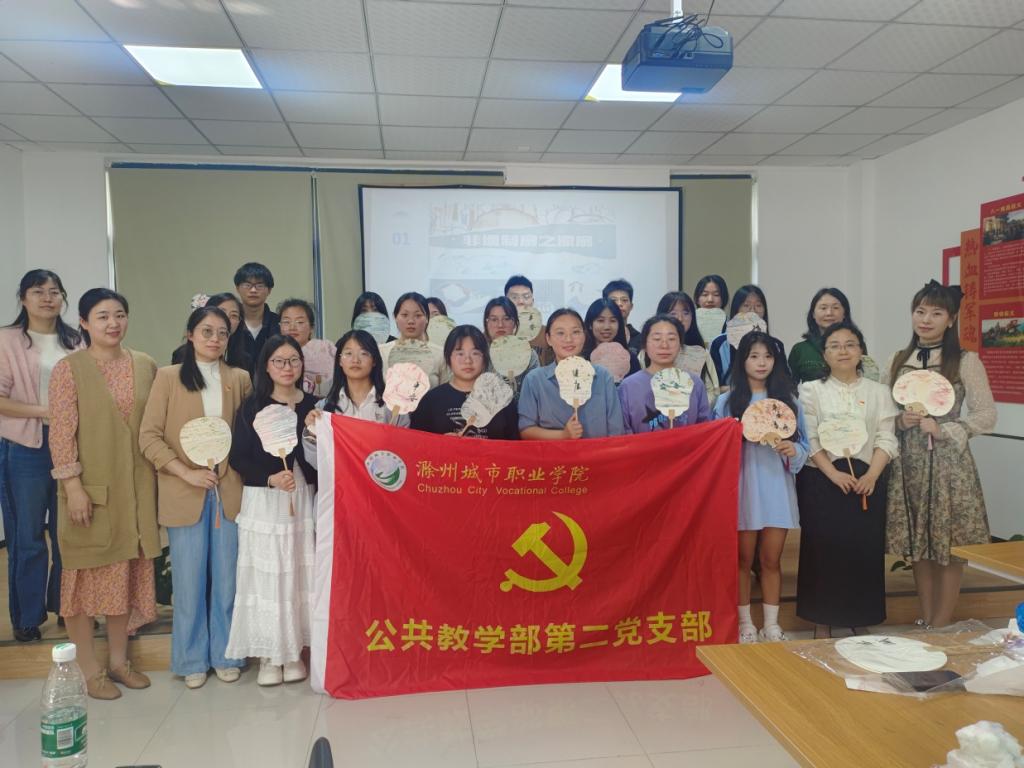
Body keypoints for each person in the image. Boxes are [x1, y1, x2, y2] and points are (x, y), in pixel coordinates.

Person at [48, 288, 160, 699]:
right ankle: (88, 670)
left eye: (119, 315)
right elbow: (61, 434)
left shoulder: (145, 364)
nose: (113, 323)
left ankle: (118, 661)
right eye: (102, 316)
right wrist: (73, 486)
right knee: (82, 584)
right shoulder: (69, 369)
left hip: (136, 493)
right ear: (83, 322)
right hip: (89, 493)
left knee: (123, 578)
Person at [140, 306, 252, 689]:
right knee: (188, 582)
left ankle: (227, 654)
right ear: (190, 335)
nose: (215, 339)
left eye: (222, 333)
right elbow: (149, 436)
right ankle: (190, 659)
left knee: (227, 580)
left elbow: (248, 435)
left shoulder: (239, 378)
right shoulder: (168, 377)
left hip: (228, 490)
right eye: (206, 331)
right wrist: (184, 471)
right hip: (183, 489)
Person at [884, 281, 996, 629]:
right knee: (919, 544)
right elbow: (882, 413)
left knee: (949, 546)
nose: (926, 319)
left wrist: (945, 429)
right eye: (920, 311)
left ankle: (942, 624)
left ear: (951, 319)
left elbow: (986, 414)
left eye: (936, 313)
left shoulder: (965, 360)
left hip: (949, 465)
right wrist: (899, 421)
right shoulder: (898, 360)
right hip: (910, 464)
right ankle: (927, 620)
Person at [226, 335, 317, 686]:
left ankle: (293, 653)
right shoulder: (252, 407)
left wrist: (314, 430)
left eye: (293, 360)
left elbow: (322, 455)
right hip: (265, 498)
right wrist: (269, 478)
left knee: (296, 572)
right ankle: (269, 655)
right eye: (279, 361)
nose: (287, 367)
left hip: (301, 495)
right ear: (266, 366)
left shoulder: (314, 405)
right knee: (269, 575)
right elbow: (238, 457)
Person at [796, 321, 897, 639]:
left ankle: (860, 615)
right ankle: (821, 619)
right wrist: (833, 473)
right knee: (822, 549)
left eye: (850, 344)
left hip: (867, 479)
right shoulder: (810, 390)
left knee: (862, 549)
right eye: (835, 346)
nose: (843, 351)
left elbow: (887, 437)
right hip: (823, 478)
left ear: (861, 351)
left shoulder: (879, 392)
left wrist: (872, 475)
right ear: (824, 354)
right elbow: (809, 438)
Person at [0, 270, 81, 642]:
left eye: (54, 291)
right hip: (25, 447)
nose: (47, 298)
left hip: (71, 443)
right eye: (38, 291)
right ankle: (27, 617)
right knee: (28, 535)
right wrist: (48, 412)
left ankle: (67, 607)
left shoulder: (76, 340)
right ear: (23, 298)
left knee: (69, 533)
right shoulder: (7, 339)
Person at [713, 331, 808, 644]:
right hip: (742, 488)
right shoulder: (727, 402)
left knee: (771, 560)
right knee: (741, 560)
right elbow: (715, 448)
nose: (761, 362)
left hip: (777, 488)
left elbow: (804, 446)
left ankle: (772, 625)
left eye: (768, 356)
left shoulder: (789, 402)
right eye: (754, 356)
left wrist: (793, 450)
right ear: (742, 361)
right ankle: (744, 624)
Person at [302, 330, 408, 468]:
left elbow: (405, 452)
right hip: (341, 480)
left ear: (374, 360)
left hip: (381, 479)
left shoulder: (393, 407)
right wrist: (311, 431)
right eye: (348, 353)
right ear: (340, 361)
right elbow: (317, 461)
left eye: (364, 353)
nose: (355, 360)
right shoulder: (324, 408)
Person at [518, 309, 625, 440]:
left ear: (584, 336)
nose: (568, 339)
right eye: (560, 333)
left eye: (575, 332)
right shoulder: (535, 380)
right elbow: (526, 430)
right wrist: (563, 435)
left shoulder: (602, 376)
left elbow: (616, 431)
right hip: (554, 453)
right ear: (548, 339)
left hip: (598, 452)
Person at [411, 326, 519, 439]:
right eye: (460, 353)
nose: (467, 360)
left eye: (475, 353)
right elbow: (416, 444)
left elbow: (514, 445)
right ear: (448, 357)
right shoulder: (430, 401)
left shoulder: (501, 399)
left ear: (485, 357)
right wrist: (441, 444)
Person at [619, 315, 710, 432]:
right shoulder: (628, 386)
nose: (664, 345)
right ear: (644, 345)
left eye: (671, 339)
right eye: (657, 339)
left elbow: (705, 429)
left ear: (680, 345)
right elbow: (624, 432)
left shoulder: (694, 383)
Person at [709, 285, 785, 385]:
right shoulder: (719, 344)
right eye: (746, 305)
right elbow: (713, 387)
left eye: (758, 305)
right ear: (736, 309)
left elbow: (785, 381)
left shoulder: (776, 345)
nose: (752, 311)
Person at [653, 291, 719, 402]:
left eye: (686, 313)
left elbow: (713, 391)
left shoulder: (700, 352)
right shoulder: (649, 351)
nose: (680, 318)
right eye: (673, 313)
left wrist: (695, 407)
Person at [379, 292, 446, 388]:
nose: (411, 321)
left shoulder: (440, 354)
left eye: (418, 315)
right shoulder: (382, 352)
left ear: (427, 318)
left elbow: (447, 391)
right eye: (404, 315)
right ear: (395, 317)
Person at [788, 288, 852, 383]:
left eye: (835, 308)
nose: (829, 313)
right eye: (823, 308)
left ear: (844, 314)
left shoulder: (855, 345)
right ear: (813, 314)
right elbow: (790, 386)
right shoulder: (800, 349)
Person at [172, 292, 250, 371]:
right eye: (221, 312)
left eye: (234, 315)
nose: (227, 319)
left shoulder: (245, 359)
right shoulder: (183, 354)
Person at [277, 298, 336, 398]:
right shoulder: (274, 354)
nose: (292, 327)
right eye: (286, 322)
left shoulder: (326, 349)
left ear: (311, 328)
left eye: (299, 322)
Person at [482, 297, 540, 394]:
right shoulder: (478, 352)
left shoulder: (529, 355)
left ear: (515, 323)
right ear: (486, 323)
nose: (500, 325)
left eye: (506, 319)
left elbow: (534, 393)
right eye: (494, 319)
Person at [233, 262, 279, 371]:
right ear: (237, 288)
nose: (253, 290)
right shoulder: (229, 323)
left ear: (269, 290)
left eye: (259, 285)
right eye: (247, 285)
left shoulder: (279, 323)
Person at [582, 298, 640, 378]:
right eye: (600, 320)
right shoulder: (580, 359)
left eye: (613, 321)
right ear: (590, 325)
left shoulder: (631, 359)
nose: (607, 327)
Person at [602, 279, 640, 350]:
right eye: (613, 300)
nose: (619, 304)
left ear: (631, 306)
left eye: (624, 300)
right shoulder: (597, 336)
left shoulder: (640, 339)